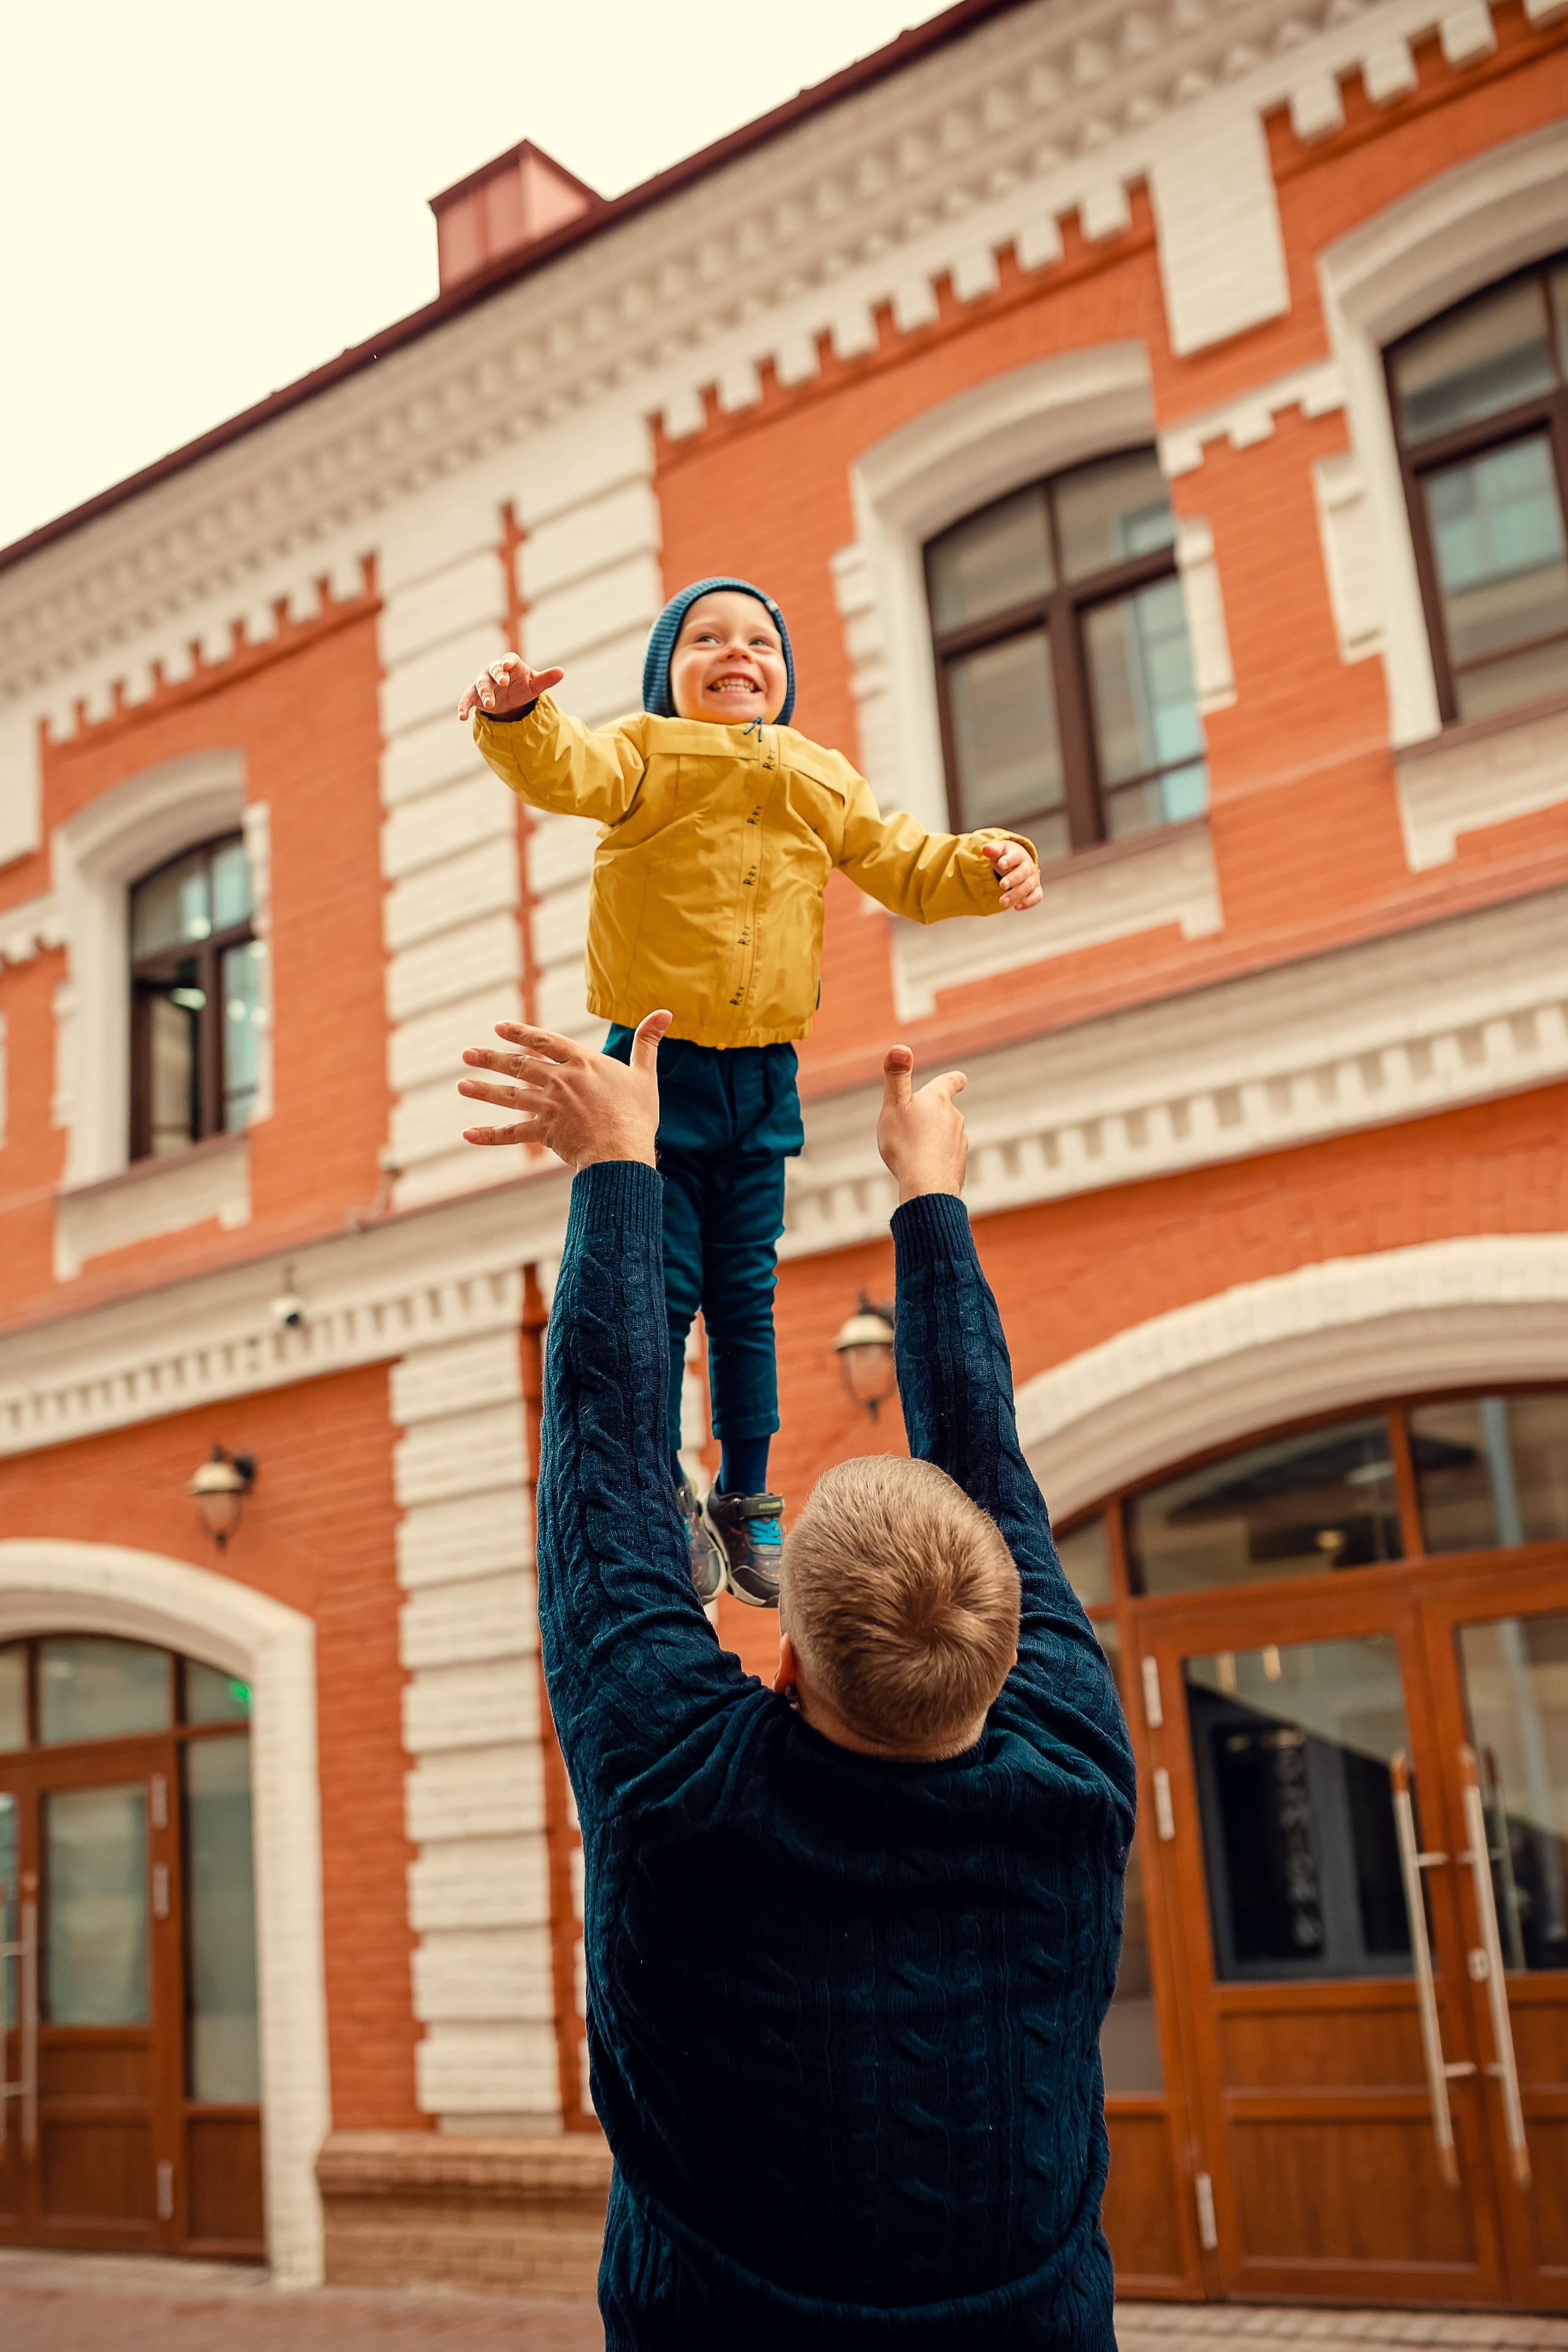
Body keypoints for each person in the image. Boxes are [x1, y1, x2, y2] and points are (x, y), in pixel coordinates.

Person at [456, 1008, 1136, 2352]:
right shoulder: (1069, 1779)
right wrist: (918, 1199)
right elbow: (990, 1470)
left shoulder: (677, 1791)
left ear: (783, 1656)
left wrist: (630, 1172)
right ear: (1006, 1651)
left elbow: (601, 1464)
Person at [456, 579, 1042, 1607]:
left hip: (764, 1071)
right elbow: (566, 768)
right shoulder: (644, 750)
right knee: (661, 1286)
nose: (738, 653)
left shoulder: (820, 777)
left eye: (761, 641)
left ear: (785, 673)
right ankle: (655, 1484)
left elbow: (904, 863)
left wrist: (992, 864)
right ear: (666, 675)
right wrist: (516, 713)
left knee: (746, 1296)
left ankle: (747, 1494)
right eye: (707, 639)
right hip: (652, 1063)